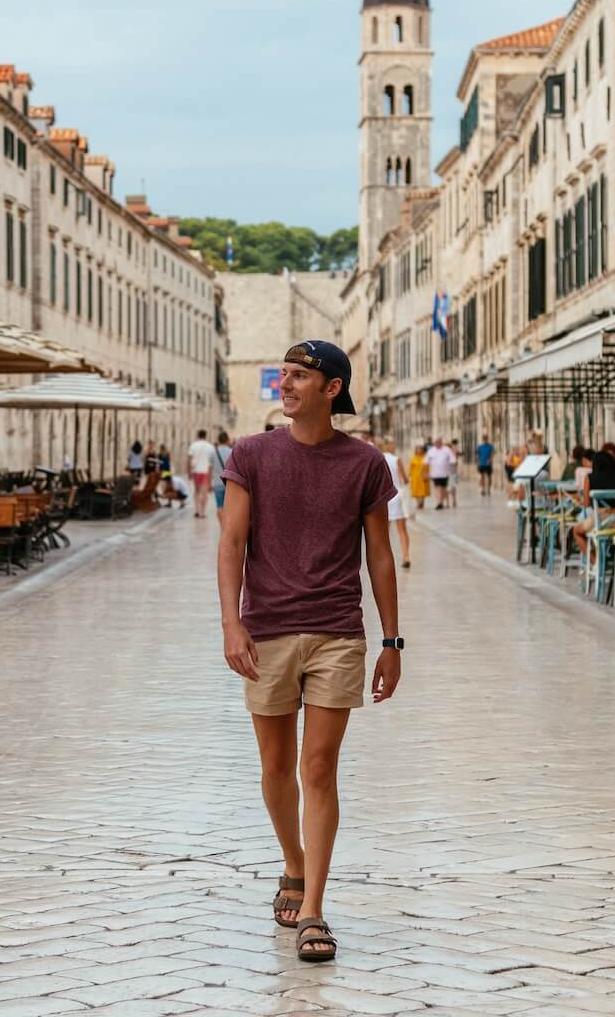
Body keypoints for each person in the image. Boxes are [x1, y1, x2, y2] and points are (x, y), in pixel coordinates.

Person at [218, 339, 400, 965]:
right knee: (276, 768)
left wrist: (392, 641)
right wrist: (231, 624)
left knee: (318, 768)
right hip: (266, 630)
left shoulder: (366, 463)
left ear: (332, 388)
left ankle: (315, 908)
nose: (285, 384)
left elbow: (380, 556)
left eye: (298, 376)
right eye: (283, 375)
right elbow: (231, 544)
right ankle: (293, 864)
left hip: (337, 633)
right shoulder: (251, 455)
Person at [379, 436, 412, 569]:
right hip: (397, 495)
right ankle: (406, 556)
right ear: (388, 445)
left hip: (384, 497)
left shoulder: (379, 458)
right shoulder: (396, 459)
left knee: (384, 531)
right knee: (402, 529)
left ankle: (384, 558)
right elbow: (404, 479)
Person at [187, 428, 218, 519]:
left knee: (196, 491)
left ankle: (197, 510)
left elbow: (189, 460)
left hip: (196, 471)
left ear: (198, 435)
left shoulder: (193, 445)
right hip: (206, 471)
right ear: (205, 436)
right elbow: (213, 462)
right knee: (204, 493)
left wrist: (188, 472)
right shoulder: (210, 447)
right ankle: (202, 512)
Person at [213, 431, 235, 521]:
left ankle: (222, 526)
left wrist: (208, 483)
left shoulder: (213, 452)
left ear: (218, 440)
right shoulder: (232, 451)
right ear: (227, 440)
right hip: (230, 483)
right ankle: (228, 525)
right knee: (230, 507)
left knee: (219, 507)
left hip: (217, 482)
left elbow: (209, 468)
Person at [428, 439, 457, 509]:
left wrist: (454, 472)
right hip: (444, 474)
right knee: (445, 488)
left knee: (452, 488)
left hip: (452, 473)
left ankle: (454, 500)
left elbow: (455, 463)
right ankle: (446, 502)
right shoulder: (441, 453)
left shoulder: (452, 453)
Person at [409, 441, 430, 510]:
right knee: (416, 490)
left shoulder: (425, 458)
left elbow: (428, 466)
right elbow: (410, 468)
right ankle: (418, 503)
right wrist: (410, 476)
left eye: (420, 449)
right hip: (415, 477)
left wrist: (427, 474)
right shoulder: (413, 458)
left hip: (423, 476)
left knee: (423, 490)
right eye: (418, 449)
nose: (419, 450)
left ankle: (422, 502)